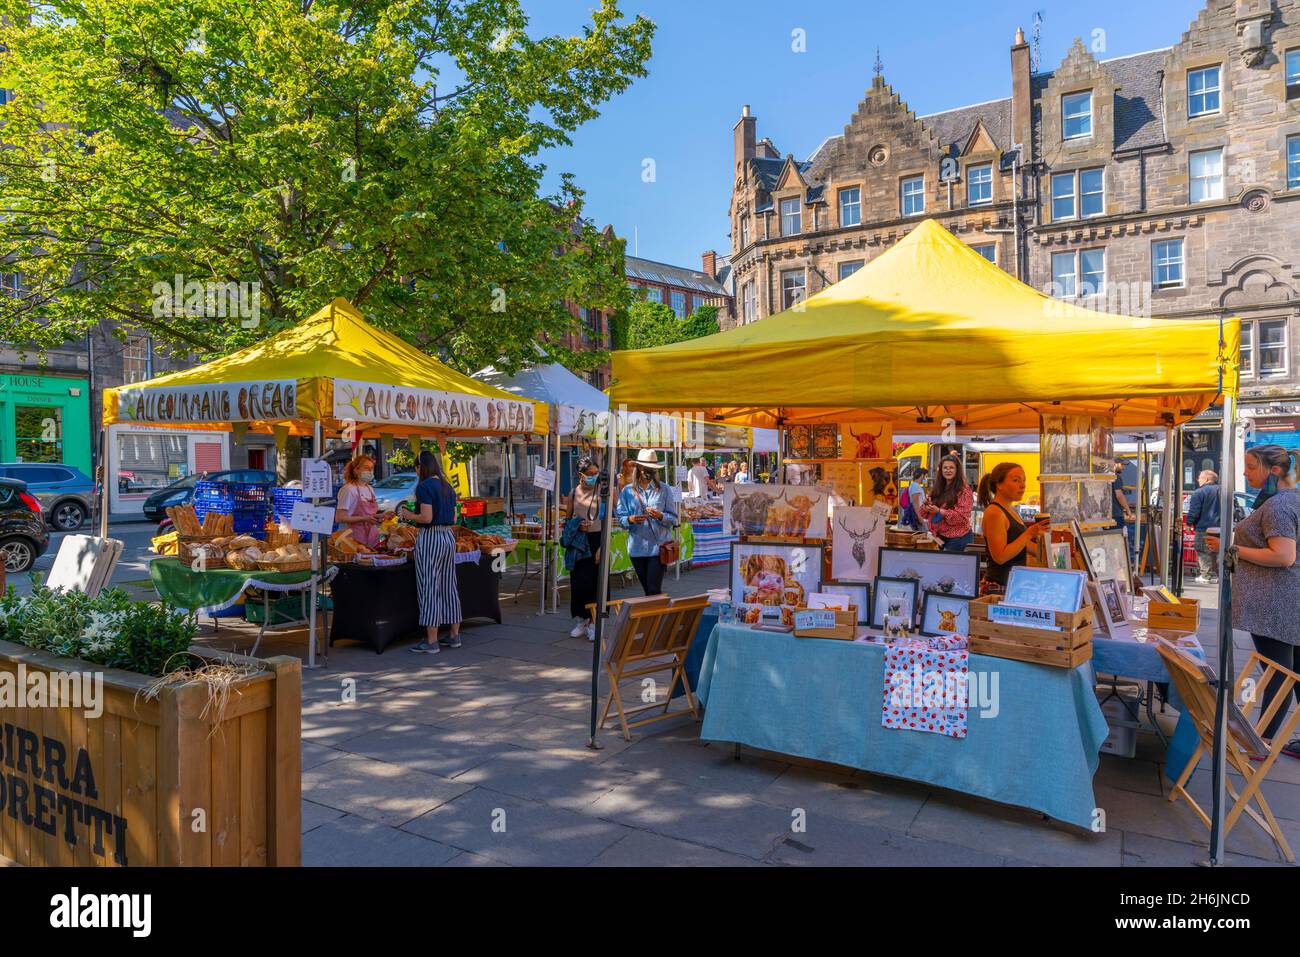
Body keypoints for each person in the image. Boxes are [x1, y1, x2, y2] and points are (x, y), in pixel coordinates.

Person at [1208, 445, 1300, 754]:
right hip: (1288, 598)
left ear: (1274, 470)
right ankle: (1266, 738)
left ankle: (1261, 741)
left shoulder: (1278, 506)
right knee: (1293, 672)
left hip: (1275, 601)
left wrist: (1231, 548)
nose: (1245, 473)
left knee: (1277, 672)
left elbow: (1283, 555)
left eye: (1250, 467)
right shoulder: (1290, 500)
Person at [406, 451, 462, 653]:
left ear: (421, 467)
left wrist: (408, 514)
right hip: (448, 537)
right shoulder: (448, 486)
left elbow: (426, 518)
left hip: (430, 538)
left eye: (416, 468)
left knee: (429, 585)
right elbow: (454, 518)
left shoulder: (424, 486)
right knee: (449, 585)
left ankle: (431, 640)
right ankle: (455, 635)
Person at [978, 462, 1050, 594]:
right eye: (1016, 480)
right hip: (998, 587)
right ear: (999, 485)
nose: (1022, 485)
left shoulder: (1009, 510)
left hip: (1012, 585)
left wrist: (1049, 552)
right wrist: (1029, 533)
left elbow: (1020, 544)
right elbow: (1000, 556)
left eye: (1024, 480)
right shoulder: (995, 512)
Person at [616, 448, 678, 596]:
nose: (649, 472)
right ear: (639, 468)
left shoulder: (664, 489)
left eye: (652, 469)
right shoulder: (627, 491)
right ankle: (657, 614)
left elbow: (674, 519)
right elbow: (620, 518)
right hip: (637, 548)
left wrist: (660, 516)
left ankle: (657, 617)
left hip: (658, 548)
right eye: (646, 468)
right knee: (648, 590)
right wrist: (630, 519)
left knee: (653, 589)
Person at [563, 456, 604, 641]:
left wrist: (603, 546)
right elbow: (567, 519)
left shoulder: (603, 491)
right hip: (579, 542)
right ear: (581, 475)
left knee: (595, 584)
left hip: (597, 540)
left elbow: (608, 521)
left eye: (596, 473)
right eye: (590, 474)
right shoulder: (574, 493)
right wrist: (576, 526)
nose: (594, 476)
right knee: (579, 584)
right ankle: (582, 619)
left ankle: (595, 623)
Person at [335, 454, 391, 550]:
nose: (370, 471)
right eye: (366, 468)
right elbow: (339, 518)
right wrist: (364, 519)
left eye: (372, 468)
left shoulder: (369, 488)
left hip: (372, 538)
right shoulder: (348, 489)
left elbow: (368, 515)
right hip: (352, 540)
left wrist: (381, 516)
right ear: (356, 470)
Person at [921, 455, 973, 551]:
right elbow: (924, 514)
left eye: (951, 467)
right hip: (940, 537)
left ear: (957, 470)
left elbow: (962, 518)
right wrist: (926, 506)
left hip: (959, 538)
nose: (948, 470)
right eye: (945, 468)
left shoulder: (964, 490)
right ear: (940, 470)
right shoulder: (938, 488)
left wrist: (940, 511)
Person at [1185, 469, 1221, 584]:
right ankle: (1220, 575)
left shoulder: (1199, 492)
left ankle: (1207, 575)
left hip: (1204, 527)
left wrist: (1188, 523)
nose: (1198, 480)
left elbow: (1194, 511)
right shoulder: (1223, 491)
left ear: (1206, 479)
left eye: (1199, 478)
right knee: (1219, 551)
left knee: (1203, 550)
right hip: (1221, 527)